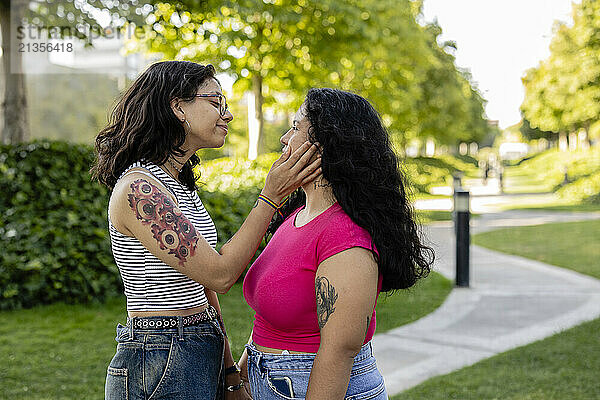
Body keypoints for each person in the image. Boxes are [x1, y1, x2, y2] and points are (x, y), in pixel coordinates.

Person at [90, 60, 321, 400]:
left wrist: (229, 372)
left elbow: (203, 289)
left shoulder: (176, 185)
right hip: (161, 355)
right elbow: (220, 275)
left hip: (196, 343)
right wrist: (271, 195)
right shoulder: (141, 190)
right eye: (215, 102)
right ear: (177, 107)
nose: (227, 115)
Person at [238, 88, 435, 399]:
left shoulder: (345, 237)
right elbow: (267, 315)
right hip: (273, 382)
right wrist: (242, 378)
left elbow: (339, 352)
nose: (284, 140)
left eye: (294, 127)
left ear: (324, 148)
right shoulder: (295, 216)